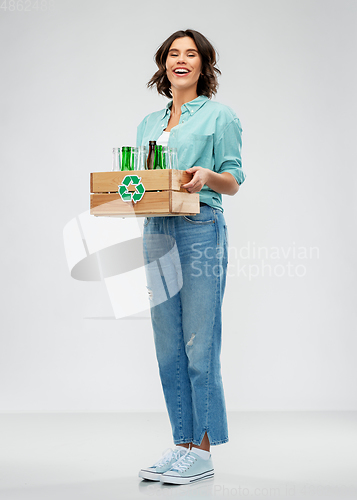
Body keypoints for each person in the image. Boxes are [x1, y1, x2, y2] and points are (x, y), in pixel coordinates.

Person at [136, 29, 246, 485]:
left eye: (191, 54)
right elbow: (141, 178)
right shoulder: (148, 123)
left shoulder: (219, 116)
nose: (181, 61)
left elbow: (235, 178)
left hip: (200, 227)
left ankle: (201, 448)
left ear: (204, 65)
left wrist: (208, 176)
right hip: (156, 229)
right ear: (164, 65)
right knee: (167, 343)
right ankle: (180, 445)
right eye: (173, 54)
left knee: (199, 341)